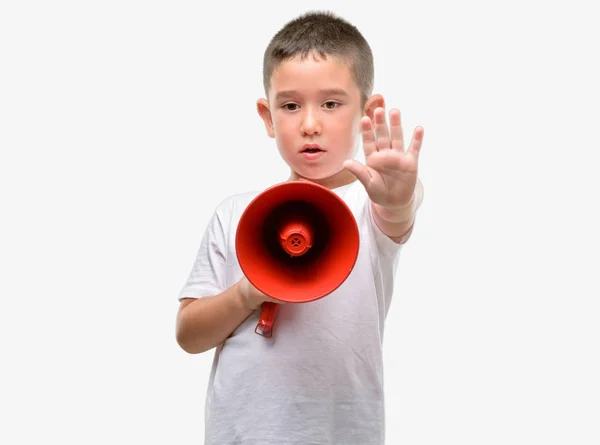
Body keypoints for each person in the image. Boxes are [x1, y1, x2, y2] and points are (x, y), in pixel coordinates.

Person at [175, 10, 424, 445]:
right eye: (290, 106)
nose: (310, 123)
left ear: (368, 112)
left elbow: (398, 213)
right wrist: (246, 293)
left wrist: (399, 196)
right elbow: (188, 335)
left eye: (331, 103)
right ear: (267, 116)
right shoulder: (234, 214)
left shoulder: (371, 205)